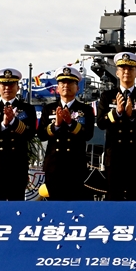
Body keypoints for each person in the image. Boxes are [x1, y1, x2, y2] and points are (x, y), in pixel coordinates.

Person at [96, 52, 136, 201]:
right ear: (117, 73)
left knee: (134, 198)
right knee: (113, 198)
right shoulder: (107, 96)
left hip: (135, 156)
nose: (126, 72)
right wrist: (117, 113)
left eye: (130, 69)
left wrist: (133, 116)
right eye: (123, 69)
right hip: (114, 156)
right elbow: (101, 123)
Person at [37, 66, 95, 201]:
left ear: (77, 88)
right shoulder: (48, 109)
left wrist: (70, 123)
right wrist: (56, 125)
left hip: (75, 165)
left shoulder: (85, 110)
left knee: (75, 204)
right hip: (54, 165)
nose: (66, 86)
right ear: (57, 88)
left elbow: (88, 135)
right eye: (62, 83)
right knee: (54, 205)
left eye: (70, 83)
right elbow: (41, 135)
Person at [0, 68, 37, 200]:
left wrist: (13, 122)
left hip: (17, 165)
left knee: (16, 203)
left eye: (11, 84)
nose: (7, 88)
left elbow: (30, 133)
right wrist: (3, 124)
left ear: (18, 87)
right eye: (4, 85)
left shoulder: (27, 109)